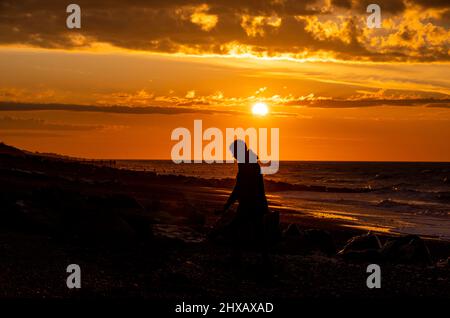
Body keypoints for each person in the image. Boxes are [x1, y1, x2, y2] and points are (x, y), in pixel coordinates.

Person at [214, 140, 271, 268]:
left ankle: (237, 258)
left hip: (250, 204)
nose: (233, 156)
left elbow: (240, 187)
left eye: (234, 152)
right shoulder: (250, 163)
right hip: (254, 203)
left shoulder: (248, 165)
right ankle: (263, 260)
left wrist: (227, 205)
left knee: (236, 229)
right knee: (258, 232)